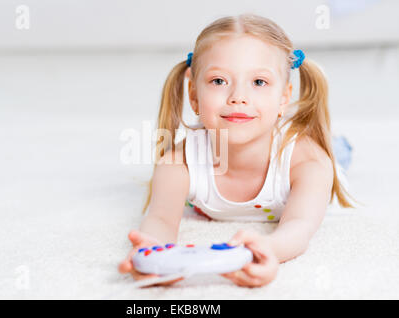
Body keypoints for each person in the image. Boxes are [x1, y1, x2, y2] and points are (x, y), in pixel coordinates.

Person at [119, 13, 358, 288]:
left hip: (299, 149)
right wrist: (152, 252)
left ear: (284, 98)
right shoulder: (178, 163)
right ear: (194, 97)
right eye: (219, 81)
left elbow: (300, 226)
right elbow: (160, 218)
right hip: (249, 128)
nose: (238, 97)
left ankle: (338, 143)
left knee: (337, 151)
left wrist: (268, 249)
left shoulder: (308, 161)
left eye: (259, 82)